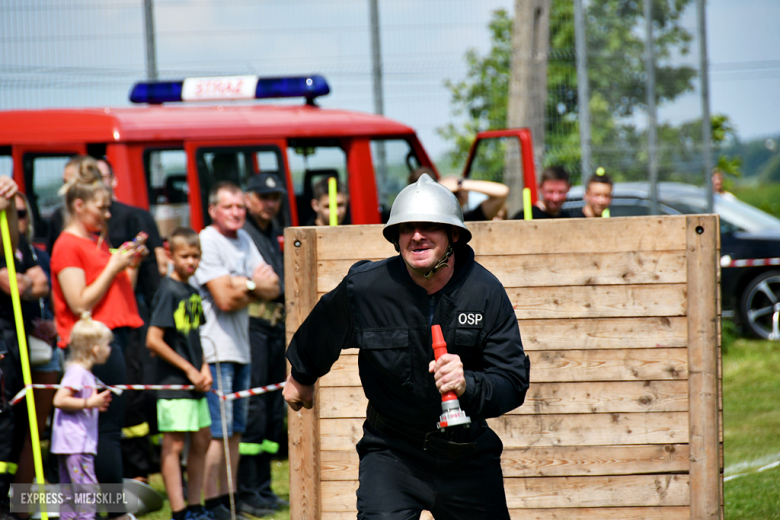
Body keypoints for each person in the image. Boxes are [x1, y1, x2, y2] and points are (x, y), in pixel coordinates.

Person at [283, 174, 530, 519]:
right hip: (391, 453)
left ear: (453, 235)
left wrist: (468, 384)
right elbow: (322, 329)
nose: (416, 236)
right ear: (395, 237)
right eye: (406, 228)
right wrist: (302, 376)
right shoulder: (366, 288)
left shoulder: (486, 292)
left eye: (429, 226)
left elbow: (512, 382)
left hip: (467, 455)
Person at [50, 156, 146, 520]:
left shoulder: (95, 242)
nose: (107, 215)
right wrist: (112, 266)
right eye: (101, 208)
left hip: (112, 339)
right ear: (79, 205)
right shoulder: (67, 245)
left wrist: (127, 266)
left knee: (110, 430)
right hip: (93, 346)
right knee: (105, 432)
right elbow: (80, 303)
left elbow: (117, 295)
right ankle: (115, 510)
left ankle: (108, 507)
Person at [192, 181, 279, 520]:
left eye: (239, 206)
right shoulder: (207, 241)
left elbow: (274, 286)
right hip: (215, 351)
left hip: (242, 349)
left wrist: (243, 285)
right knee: (218, 432)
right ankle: (210, 504)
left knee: (237, 432)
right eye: (227, 207)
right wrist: (252, 285)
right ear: (213, 210)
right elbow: (225, 299)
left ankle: (229, 502)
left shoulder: (244, 239)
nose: (235, 212)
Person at [95, 158, 165, 483]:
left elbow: (152, 282)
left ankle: (138, 474)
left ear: (114, 181)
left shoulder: (135, 217)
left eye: (102, 176)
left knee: (132, 398)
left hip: (130, 324)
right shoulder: (69, 232)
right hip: (90, 329)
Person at [146, 227, 213, 520]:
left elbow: (196, 336)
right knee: (173, 445)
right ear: (171, 255)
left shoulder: (192, 290)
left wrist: (205, 368)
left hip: (195, 382)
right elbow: (153, 340)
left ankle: (196, 506)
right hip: (173, 382)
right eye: (185, 256)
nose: (191, 262)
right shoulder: (169, 290)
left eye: (196, 256)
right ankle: (179, 511)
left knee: (202, 440)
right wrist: (188, 369)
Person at [238, 174, 289, 515]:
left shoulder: (272, 229)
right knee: (253, 411)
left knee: (272, 411)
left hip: (275, 328)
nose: (269, 203)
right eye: (262, 196)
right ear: (247, 198)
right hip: (254, 326)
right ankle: (246, 490)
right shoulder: (243, 234)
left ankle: (265, 487)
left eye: (275, 196)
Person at [12, 192, 61, 489]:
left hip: (44, 354)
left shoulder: (38, 255)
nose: (18, 219)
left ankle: (20, 504)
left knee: (34, 430)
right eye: (11, 213)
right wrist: (29, 286)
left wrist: (54, 324)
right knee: (10, 430)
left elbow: (51, 295)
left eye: (22, 213)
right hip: (12, 352)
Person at [51, 314, 114, 520]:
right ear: (96, 349)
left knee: (69, 495)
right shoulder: (78, 373)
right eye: (108, 345)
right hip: (77, 445)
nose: (110, 349)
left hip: (69, 445)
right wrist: (89, 403)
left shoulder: (81, 372)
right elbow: (60, 399)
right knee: (87, 493)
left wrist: (93, 404)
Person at [438, 174, 509, 221]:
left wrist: (460, 184)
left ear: (466, 196)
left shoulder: (471, 217)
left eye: (456, 193)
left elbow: (502, 191)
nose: (451, 197)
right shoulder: (430, 219)